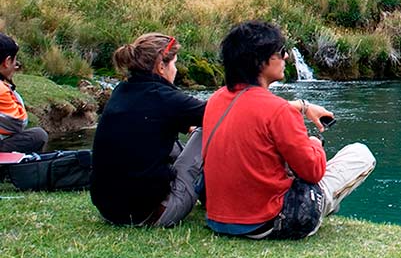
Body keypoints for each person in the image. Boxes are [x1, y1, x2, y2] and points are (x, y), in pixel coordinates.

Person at [203, 21, 375, 239]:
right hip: (268, 222)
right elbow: (313, 171)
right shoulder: (278, 111)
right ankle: (322, 209)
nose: (285, 57)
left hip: (220, 219)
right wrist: (314, 143)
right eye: (281, 52)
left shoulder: (215, 99)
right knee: (360, 154)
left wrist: (303, 107)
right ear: (260, 61)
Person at [90, 33, 206, 227]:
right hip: (150, 215)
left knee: (174, 146)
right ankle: (215, 197)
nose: (175, 70)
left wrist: (184, 124)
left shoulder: (121, 90)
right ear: (161, 66)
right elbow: (222, 113)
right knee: (206, 131)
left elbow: (153, 117)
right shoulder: (168, 98)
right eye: (174, 64)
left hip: (109, 211)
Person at [0, 33, 47, 153]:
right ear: (7, 61)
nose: (15, 65)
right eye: (15, 60)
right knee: (38, 135)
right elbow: (18, 123)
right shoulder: (2, 89)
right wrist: (9, 86)